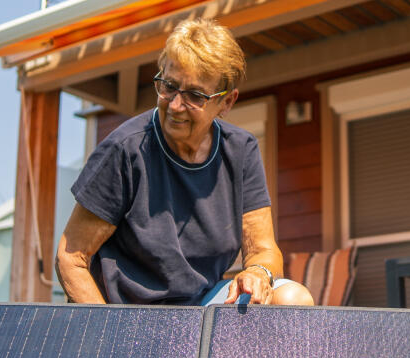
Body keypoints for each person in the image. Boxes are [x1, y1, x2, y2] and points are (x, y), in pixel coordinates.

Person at [56, 17, 314, 307]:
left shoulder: (241, 151)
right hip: (128, 316)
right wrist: (112, 336)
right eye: (169, 86)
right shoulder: (124, 150)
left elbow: (264, 250)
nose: (176, 105)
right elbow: (71, 257)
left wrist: (258, 272)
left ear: (226, 102)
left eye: (194, 95)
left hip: (200, 309)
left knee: (292, 299)